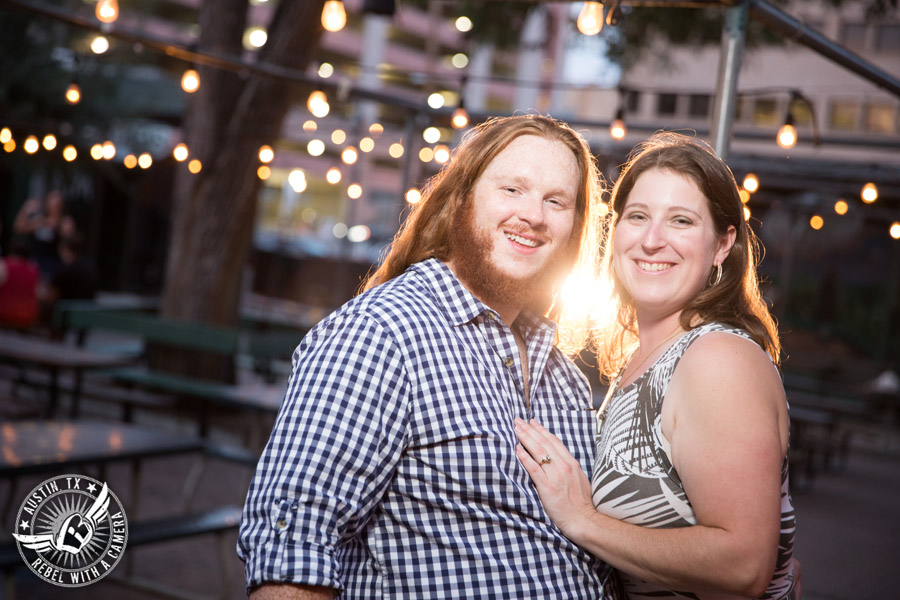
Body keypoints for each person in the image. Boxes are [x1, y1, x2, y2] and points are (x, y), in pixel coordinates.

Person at [238, 114, 614, 599]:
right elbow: (292, 541)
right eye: (512, 190)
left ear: (574, 226)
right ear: (463, 199)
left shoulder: (562, 373)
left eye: (556, 201)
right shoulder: (381, 333)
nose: (535, 216)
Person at [515, 132, 797, 599]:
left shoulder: (716, 359)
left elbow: (744, 565)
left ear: (723, 244)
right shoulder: (647, 358)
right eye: (638, 217)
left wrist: (583, 520)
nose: (651, 240)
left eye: (681, 221)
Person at [13, 189, 66, 280]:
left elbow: (67, 240)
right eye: (51, 199)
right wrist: (26, 209)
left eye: (57, 201)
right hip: (35, 262)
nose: (54, 203)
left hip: (51, 265)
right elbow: (19, 228)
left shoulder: (63, 223)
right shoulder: (40, 220)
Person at [0, 236, 41, 329]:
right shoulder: (34, 270)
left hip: (4, 311)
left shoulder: (4, 265)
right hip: (27, 314)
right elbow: (37, 293)